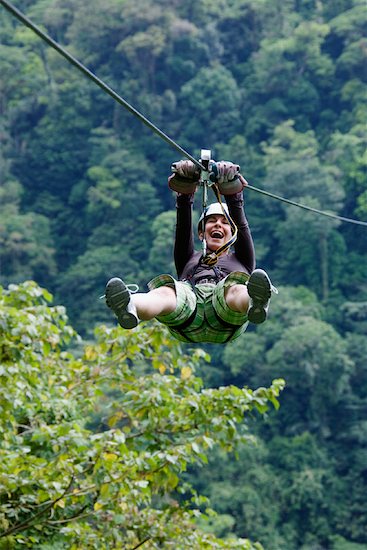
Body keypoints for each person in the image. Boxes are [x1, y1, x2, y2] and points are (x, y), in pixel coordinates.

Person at [105, 159, 277, 344]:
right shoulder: (189, 258)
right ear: (201, 233)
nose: (218, 224)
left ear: (232, 232)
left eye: (225, 222)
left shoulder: (242, 260)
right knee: (166, 292)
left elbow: (242, 225)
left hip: (226, 317)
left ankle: (255, 303)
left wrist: (232, 193)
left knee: (235, 288)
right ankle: (130, 307)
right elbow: (183, 226)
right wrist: (185, 192)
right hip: (189, 312)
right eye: (212, 221)